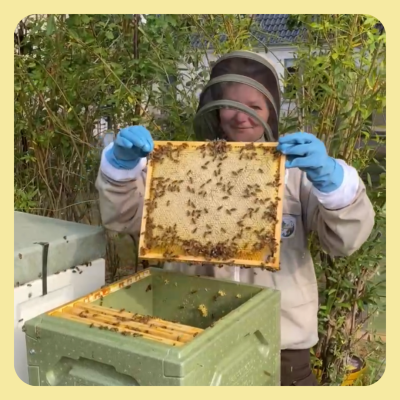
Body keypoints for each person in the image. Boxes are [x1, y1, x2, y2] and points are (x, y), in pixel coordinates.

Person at [96, 50, 375, 386]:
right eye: (231, 105)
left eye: (254, 107)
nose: (242, 117)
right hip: (193, 336)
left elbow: (344, 241)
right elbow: (126, 219)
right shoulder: (183, 167)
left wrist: (334, 183)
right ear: (215, 108)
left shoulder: (297, 174)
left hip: (280, 346)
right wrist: (120, 170)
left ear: (270, 111)